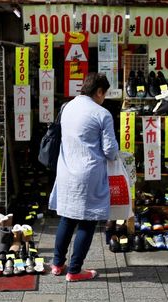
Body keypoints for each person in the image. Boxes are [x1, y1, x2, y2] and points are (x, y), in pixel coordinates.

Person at [49, 73, 119, 282]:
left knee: (67, 217)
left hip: (66, 170)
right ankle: (75, 270)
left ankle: (57, 264)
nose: (104, 98)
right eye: (104, 94)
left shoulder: (66, 107)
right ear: (99, 91)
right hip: (88, 173)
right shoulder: (102, 113)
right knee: (88, 221)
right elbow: (110, 150)